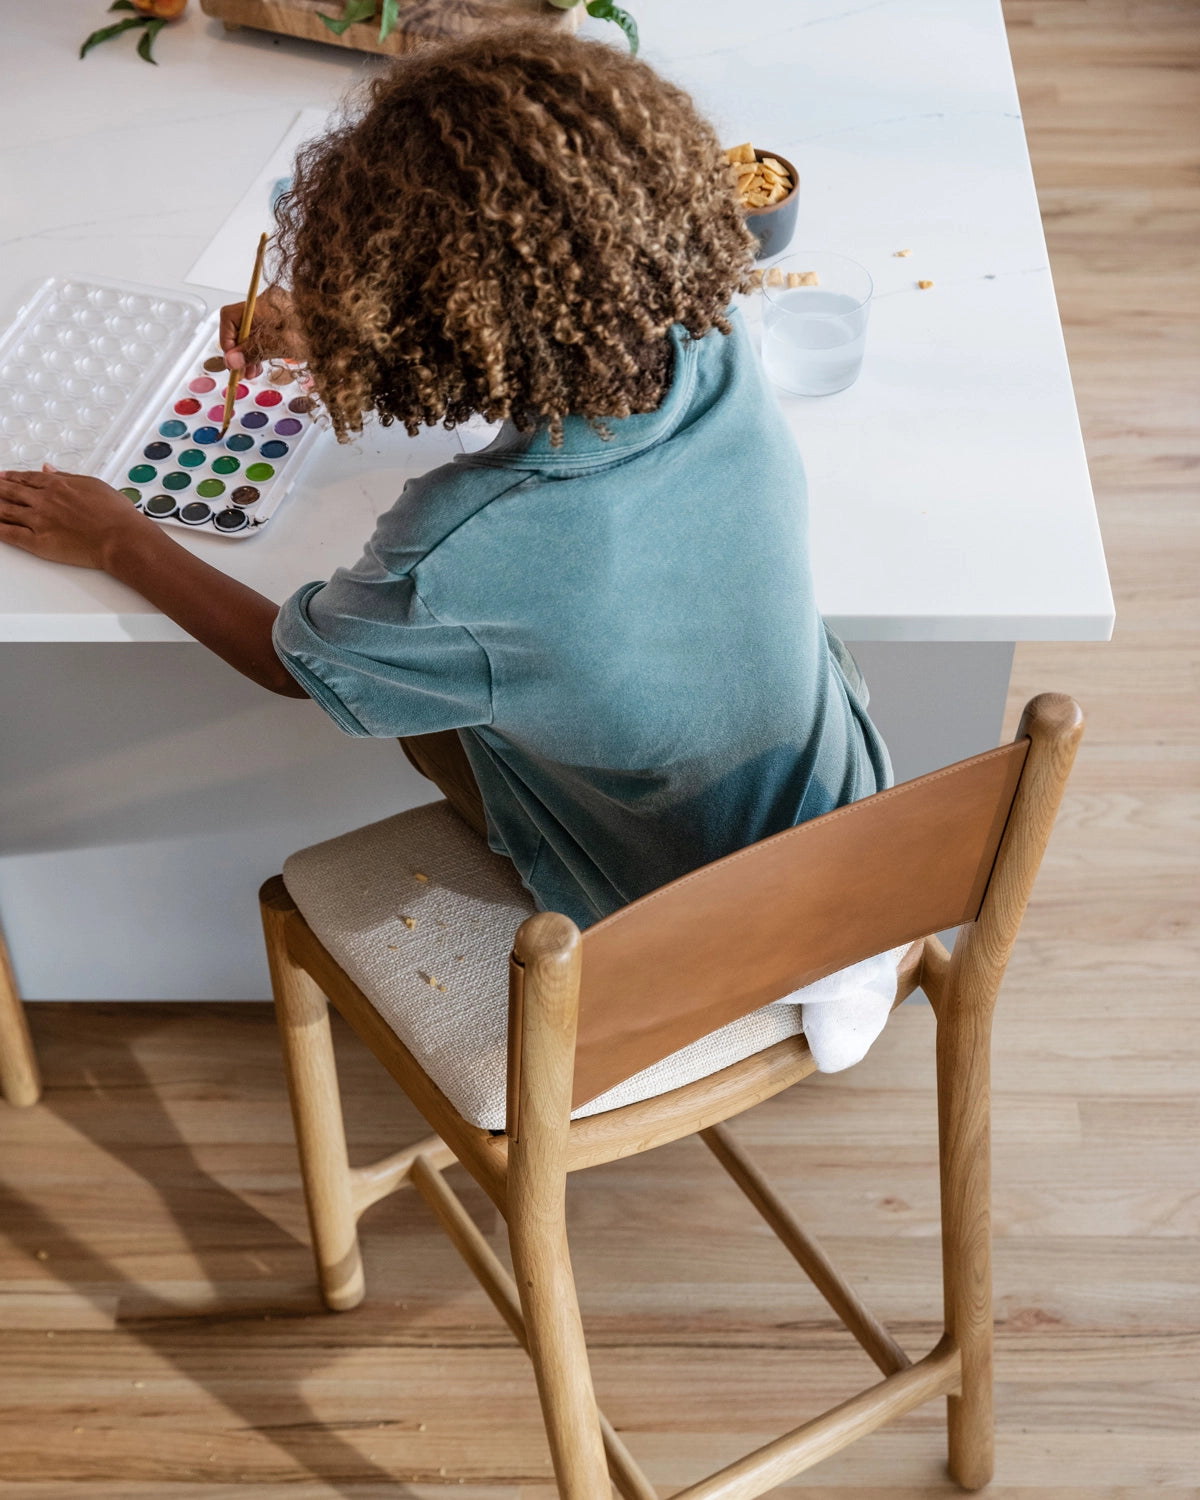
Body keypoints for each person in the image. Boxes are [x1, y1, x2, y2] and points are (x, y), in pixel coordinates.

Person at [0, 27, 890, 936]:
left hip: (678, 925)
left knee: (429, 705)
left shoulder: (459, 552)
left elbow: (290, 664)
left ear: (430, 317)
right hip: (861, 817)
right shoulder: (719, 339)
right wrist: (350, 328)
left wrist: (120, 537)